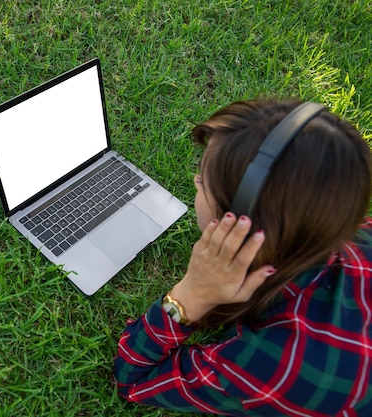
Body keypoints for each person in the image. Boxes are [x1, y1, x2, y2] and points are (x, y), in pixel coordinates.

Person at [113, 98, 372, 416]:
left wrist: (191, 295)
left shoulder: (279, 367)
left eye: (202, 179)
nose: (195, 181)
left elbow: (134, 379)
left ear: (237, 226)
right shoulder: (352, 233)